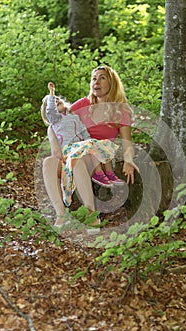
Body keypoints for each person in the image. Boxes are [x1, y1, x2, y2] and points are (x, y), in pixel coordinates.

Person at [41, 82, 119, 227]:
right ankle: (61, 214)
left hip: (82, 153)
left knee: (76, 159)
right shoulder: (55, 121)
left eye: (57, 98)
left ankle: (91, 214)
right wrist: (51, 93)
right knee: (47, 162)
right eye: (51, 102)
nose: (55, 100)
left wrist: (90, 143)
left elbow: (85, 133)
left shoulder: (74, 117)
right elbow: (55, 151)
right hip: (66, 155)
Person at [70, 65, 139, 185]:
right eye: (93, 78)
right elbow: (60, 121)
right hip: (79, 154)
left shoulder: (120, 110)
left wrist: (128, 160)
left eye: (102, 78)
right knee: (49, 162)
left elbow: (127, 143)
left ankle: (89, 202)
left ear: (112, 83)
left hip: (102, 161)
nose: (96, 82)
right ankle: (58, 204)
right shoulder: (82, 104)